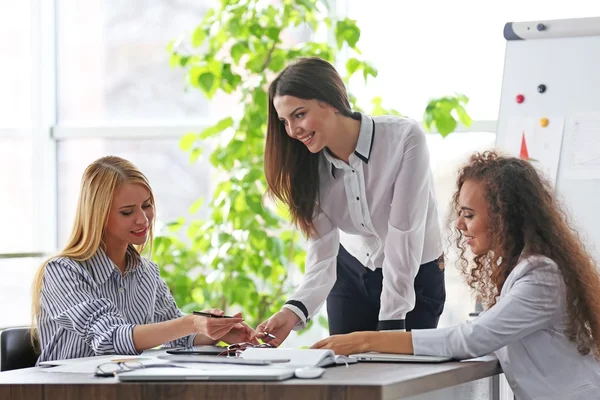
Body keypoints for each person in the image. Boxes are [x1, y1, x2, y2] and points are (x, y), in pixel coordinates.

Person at [312, 151, 600, 399]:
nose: (460, 225)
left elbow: (473, 339)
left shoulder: (541, 276)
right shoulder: (523, 269)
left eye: (469, 214)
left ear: (504, 217)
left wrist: (366, 341)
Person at [256, 56, 445, 345]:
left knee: (401, 380)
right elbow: (322, 250)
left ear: (330, 101)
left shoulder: (405, 138)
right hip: (352, 270)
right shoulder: (308, 168)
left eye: (299, 115)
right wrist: (292, 311)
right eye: (284, 121)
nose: (292, 131)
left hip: (416, 272)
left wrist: (391, 325)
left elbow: (404, 234)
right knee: (347, 379)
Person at [31, 156, 256, 362]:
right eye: (127, 212)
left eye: (146, 206)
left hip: (124, 388)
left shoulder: (147, 272)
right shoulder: (63, 271)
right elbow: (109, 338)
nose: (143, 219)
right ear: (98, 216)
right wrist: (191, 322)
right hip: (66, 390)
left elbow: (178, 338)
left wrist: (216, 331)